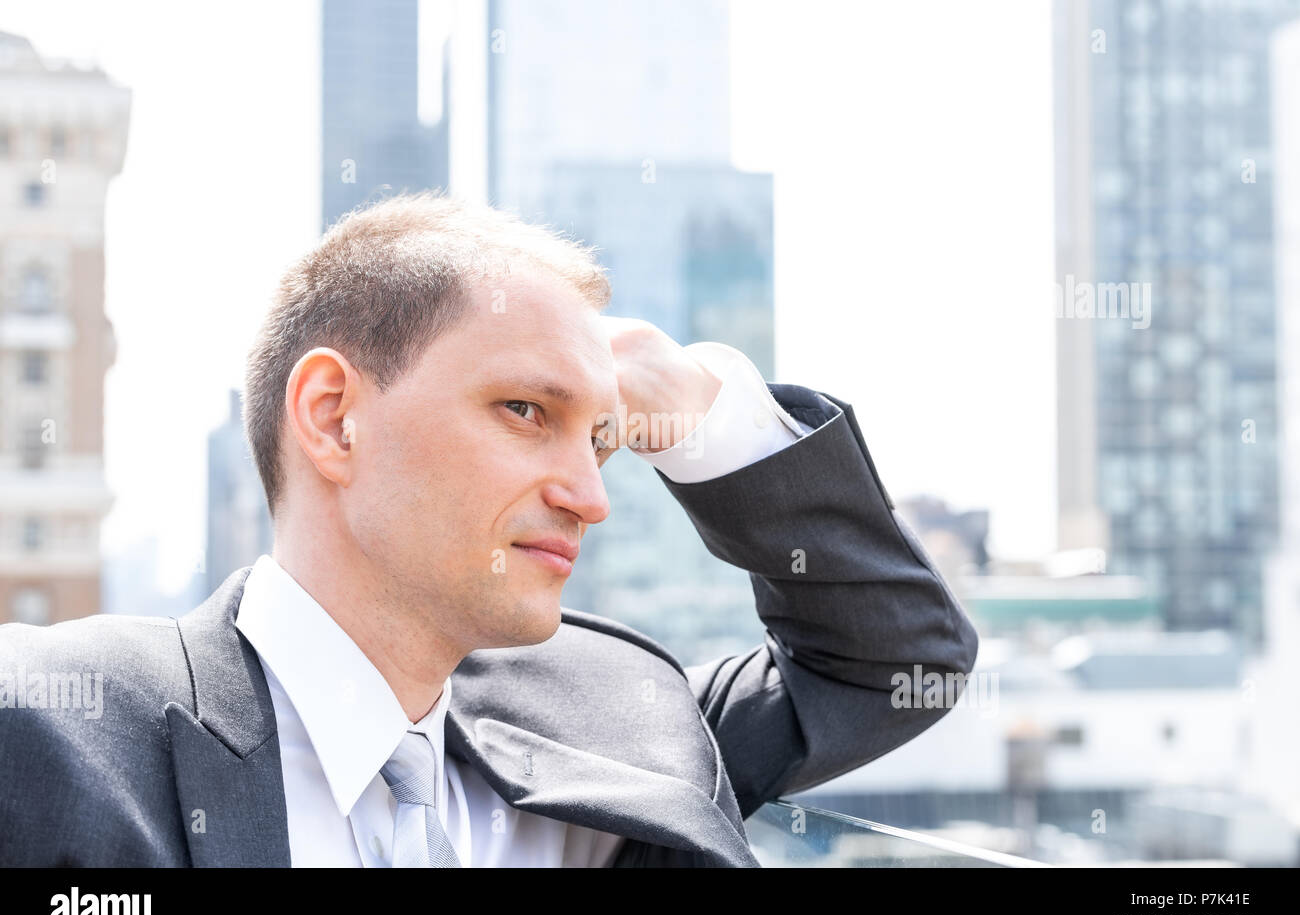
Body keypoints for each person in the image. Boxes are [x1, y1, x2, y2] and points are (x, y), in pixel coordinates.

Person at [0, 191, 978, 867]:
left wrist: (701, 412)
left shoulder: (624, 719)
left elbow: (889, 661)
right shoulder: (49, 726)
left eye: (600, 440)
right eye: (524, 411)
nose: (590, 497)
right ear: (335, 417)